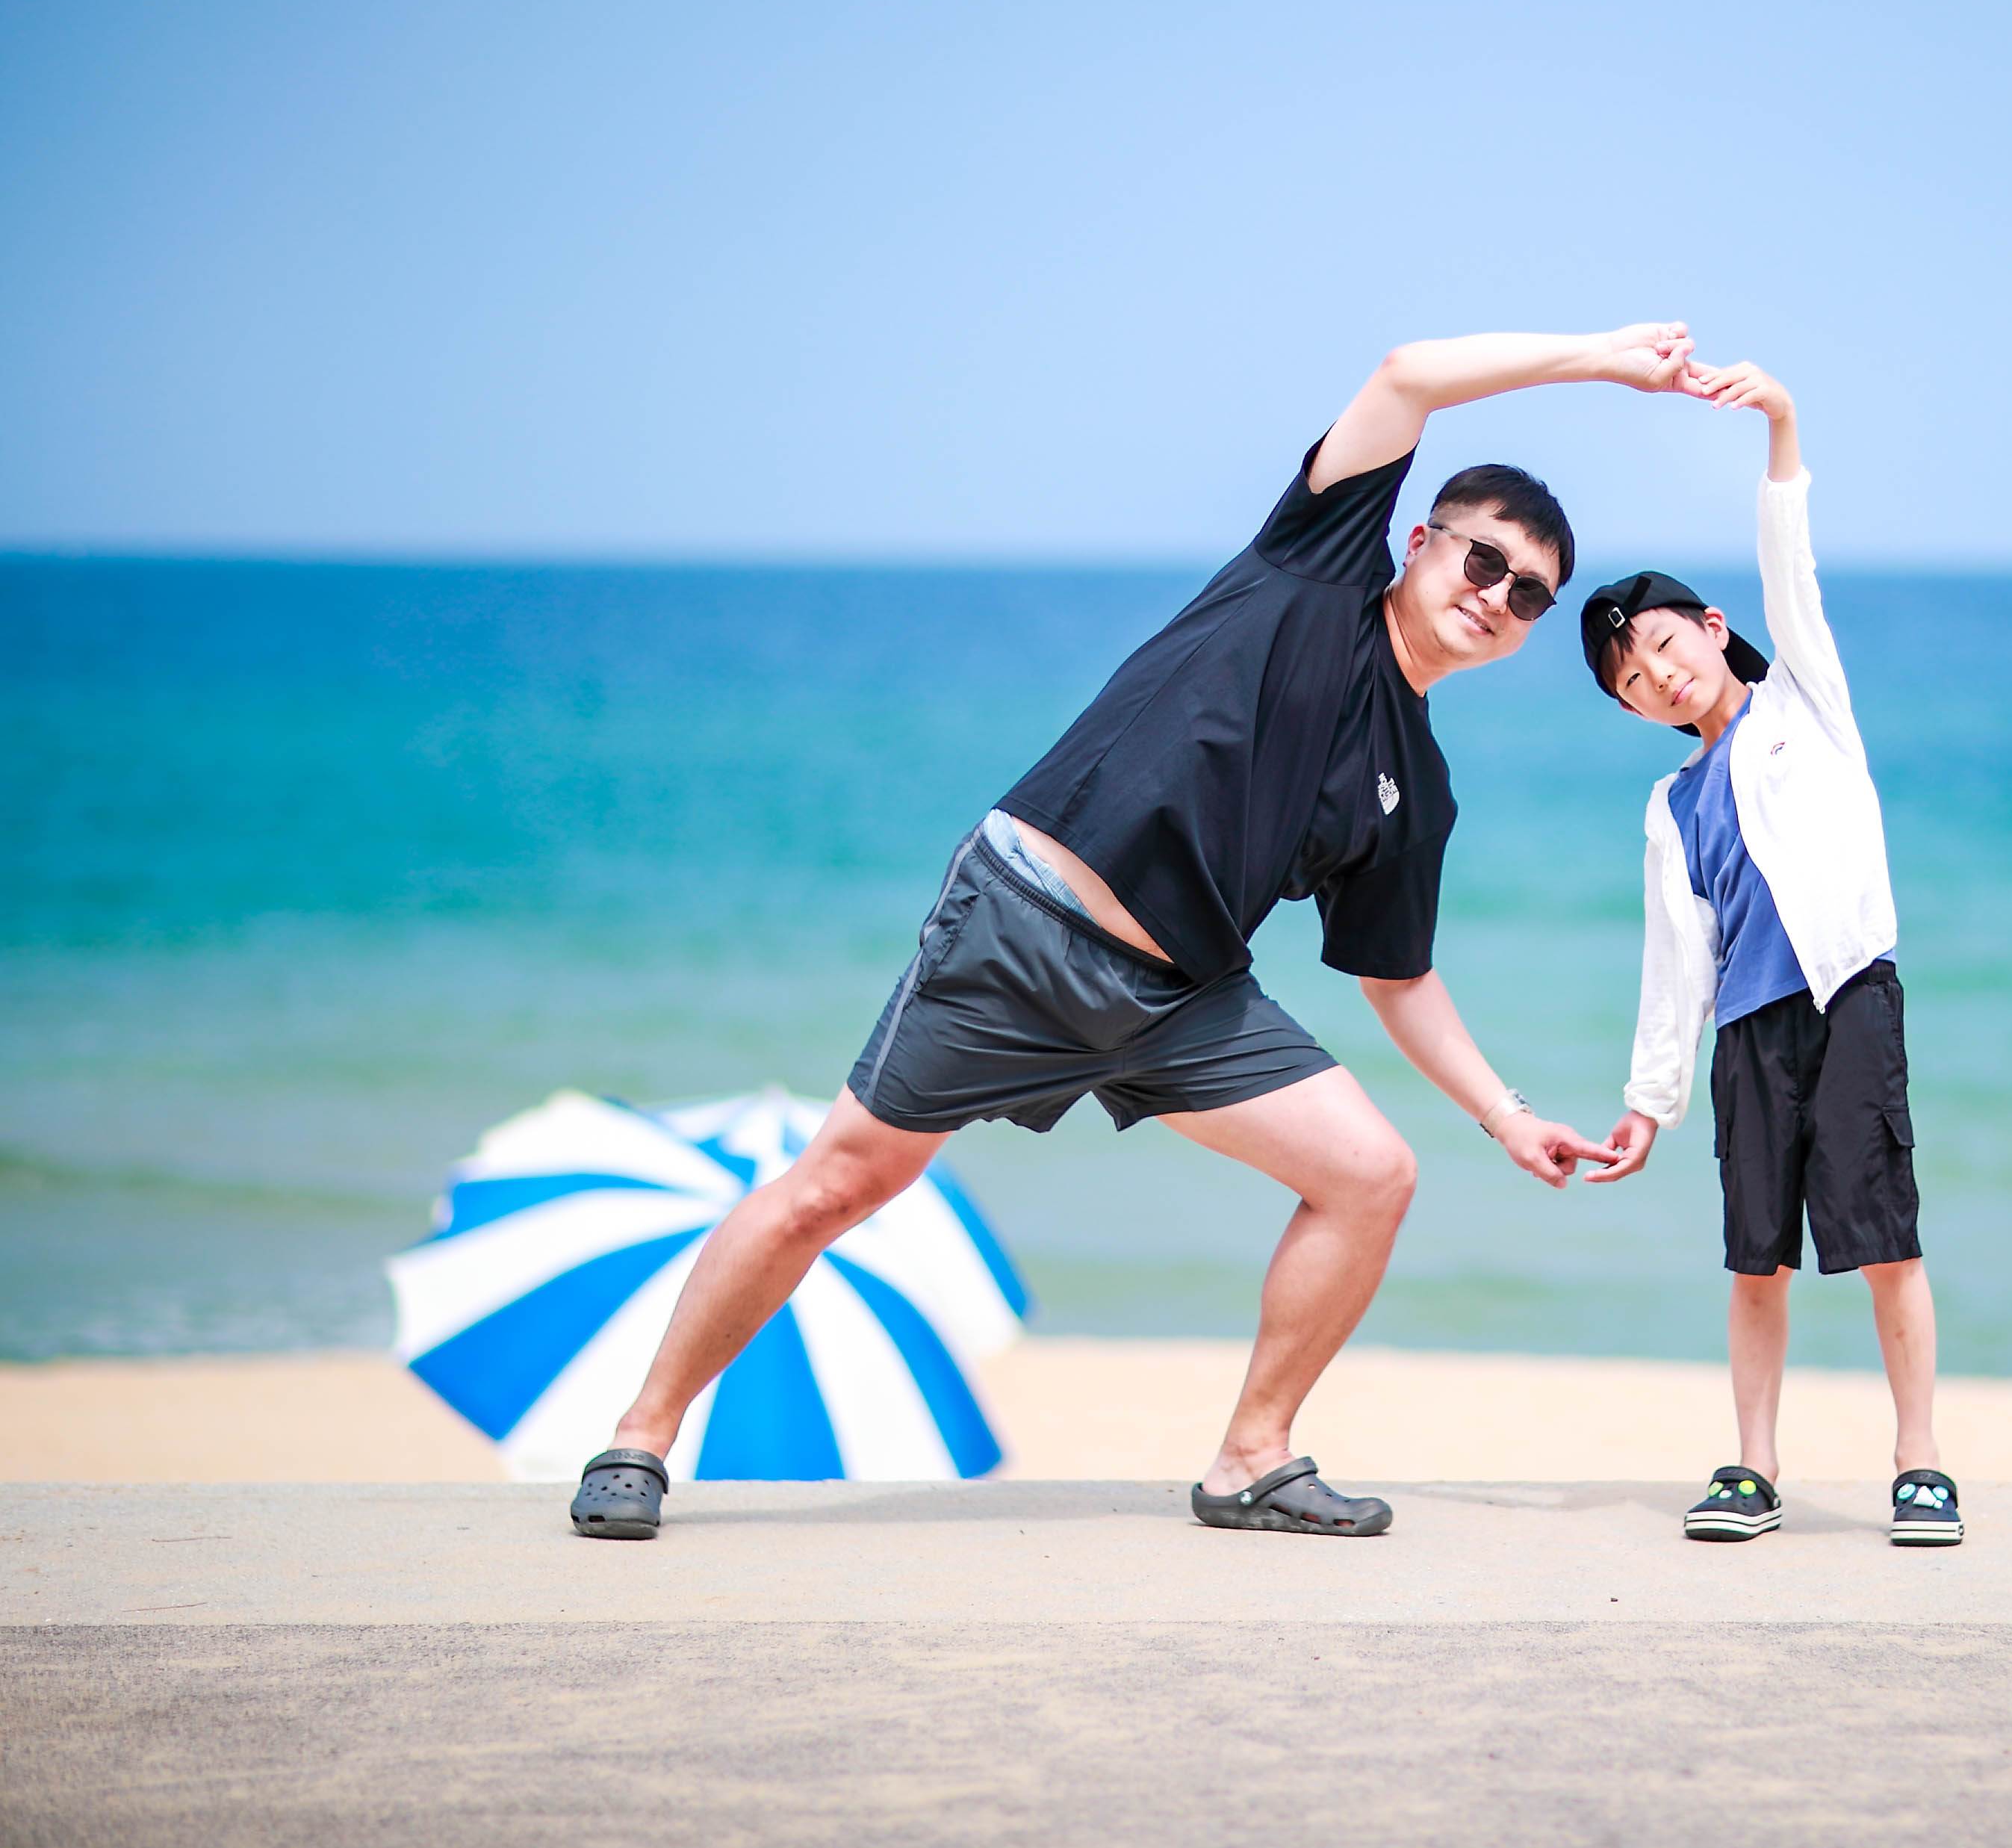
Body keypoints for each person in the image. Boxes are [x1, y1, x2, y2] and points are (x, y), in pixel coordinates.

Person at [568, 325, 1700, 1541]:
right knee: (836, 1186)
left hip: (1180, 999)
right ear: (1421, 539)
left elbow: (1398, 977)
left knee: (1371, 1174)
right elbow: (1408, 374)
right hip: (1024, 926)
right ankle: (639, 1438)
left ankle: (1251, 1458)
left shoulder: (1414, 788)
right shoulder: (1316, 567)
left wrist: (1506, 1114)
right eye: (1485, 560)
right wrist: (1603, 359)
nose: (1495, 596)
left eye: (1527, 595)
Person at [1581, 357, 1960, 1546]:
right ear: (1633, 708)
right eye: (1634, 679)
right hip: (1747, 1039)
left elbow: (1790, 561)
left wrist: (1781, 422)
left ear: (1712, 626)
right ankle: (1753, 1468)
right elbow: (1674, 963)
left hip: (1850, 1003)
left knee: (1886, 1243)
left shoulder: (1806, 698)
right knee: (1757, 1264)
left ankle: (1920, 1463)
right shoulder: (1670, 802)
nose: (1660, 674)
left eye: (1663, 644)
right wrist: (1649, 1102)